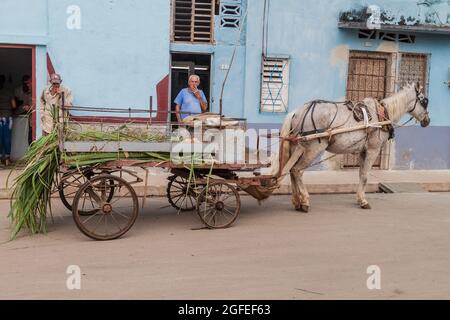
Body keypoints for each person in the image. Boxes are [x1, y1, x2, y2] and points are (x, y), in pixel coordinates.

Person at [11, 75, 33, 145]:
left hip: (31, 118)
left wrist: (29, 107)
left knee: (31, 139)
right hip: (20, 114)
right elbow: (14, 104)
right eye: (25, 83)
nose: (27, 84)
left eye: (28, 83)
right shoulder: (18, 90)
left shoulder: (34, 93)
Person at [0, 74, 13, 166]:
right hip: (7, 117)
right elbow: (14, 105)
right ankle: (7, 158)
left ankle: (0, 158)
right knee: (7, 138)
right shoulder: (8, 92)